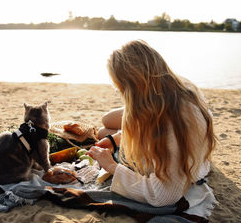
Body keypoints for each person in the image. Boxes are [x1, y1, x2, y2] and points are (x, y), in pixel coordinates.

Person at [87, 40, 216, 207]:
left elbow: (163, 195)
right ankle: (115, 137)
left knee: (105, 131)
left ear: (133, 88)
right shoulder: (171, 87)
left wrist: (111, 166)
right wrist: (116, 139)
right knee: (105, 130)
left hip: (185, 152)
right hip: (162, 116)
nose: (118, 91)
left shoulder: (176, 123)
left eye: (120, 88)